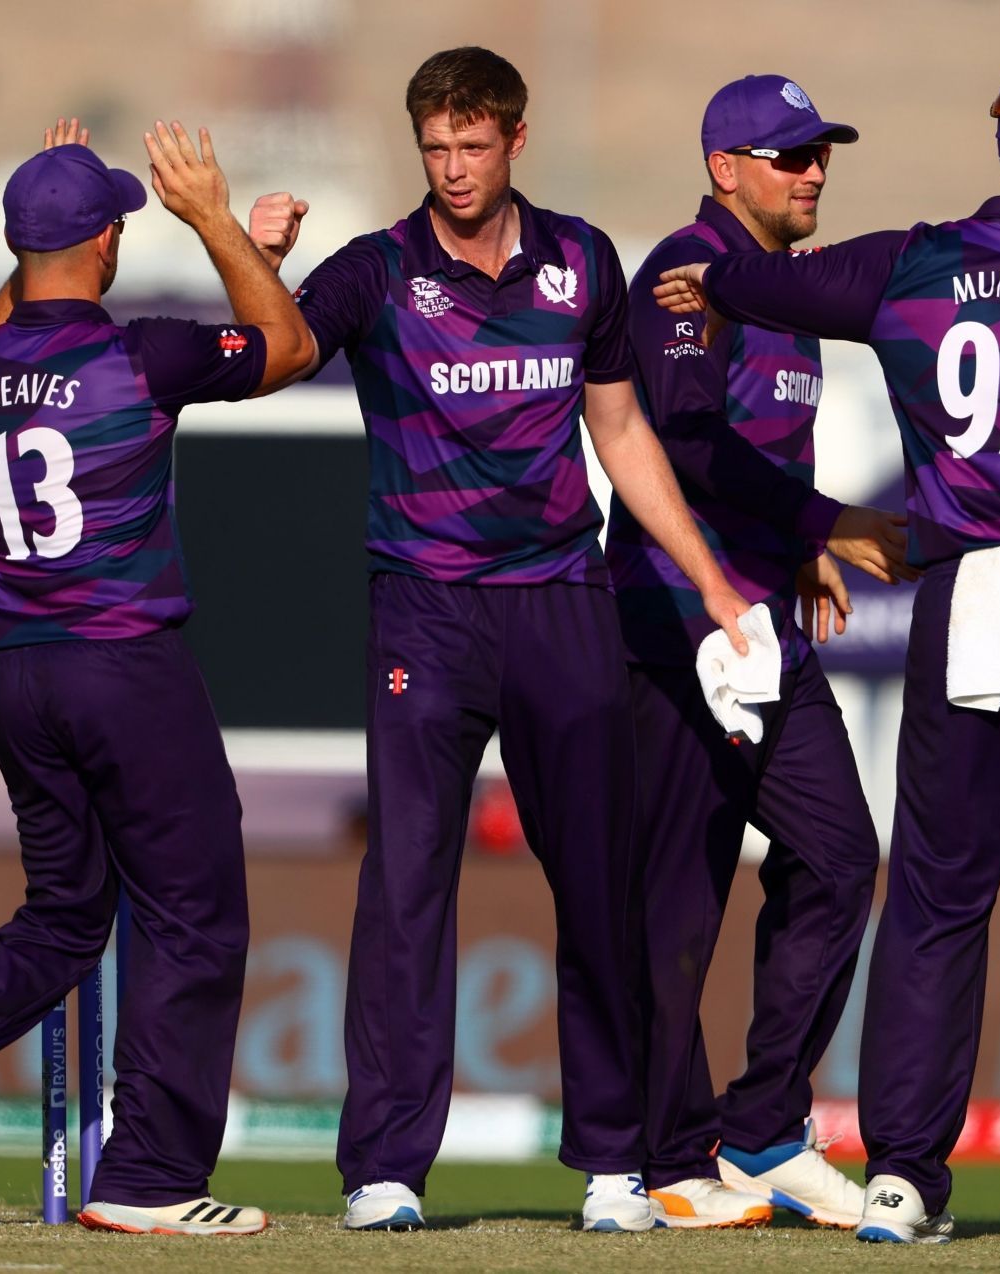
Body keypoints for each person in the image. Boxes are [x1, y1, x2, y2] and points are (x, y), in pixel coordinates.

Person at [658, 50, 1000, 1249]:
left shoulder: (908, 263)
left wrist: (707, 286)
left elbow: (751, 282)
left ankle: (903, 1175)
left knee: (936, 902)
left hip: (955, 595)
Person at [241, 47, 751, 1234]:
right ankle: (384, 1168)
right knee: (408, 883)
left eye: (472, 147)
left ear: (515, 139)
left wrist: (713, 585)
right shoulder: (375, 269)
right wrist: (253, 262)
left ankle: (615, 1165)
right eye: (435, 149)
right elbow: (275, 358)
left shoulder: (582, 260)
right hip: (423, 602)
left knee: (597, 882)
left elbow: (620, 435)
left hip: (562, 599)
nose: (454, 170)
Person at [0, 118, 314, 1236]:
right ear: (104, 243)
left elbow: (13, 322)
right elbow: (284, 349)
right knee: (194, 915)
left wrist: (51, 212)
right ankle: (147, 1178)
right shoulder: (139, 355)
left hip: (15, 674)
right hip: (124, 664)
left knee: (63, 915)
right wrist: (214, 222)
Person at [608, 74, 906, 1231]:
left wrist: (796, 547)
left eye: (819, 152)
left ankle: (762, 1125)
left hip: (763, 627)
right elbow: (677, 439)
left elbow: (753, 444)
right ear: (725, 166)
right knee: (678, 901)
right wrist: (824, 519)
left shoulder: (778, 291)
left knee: (838, 855)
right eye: (788, 156)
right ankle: (664, 1151)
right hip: (676, 624)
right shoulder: (686, 273)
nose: (814, 171)